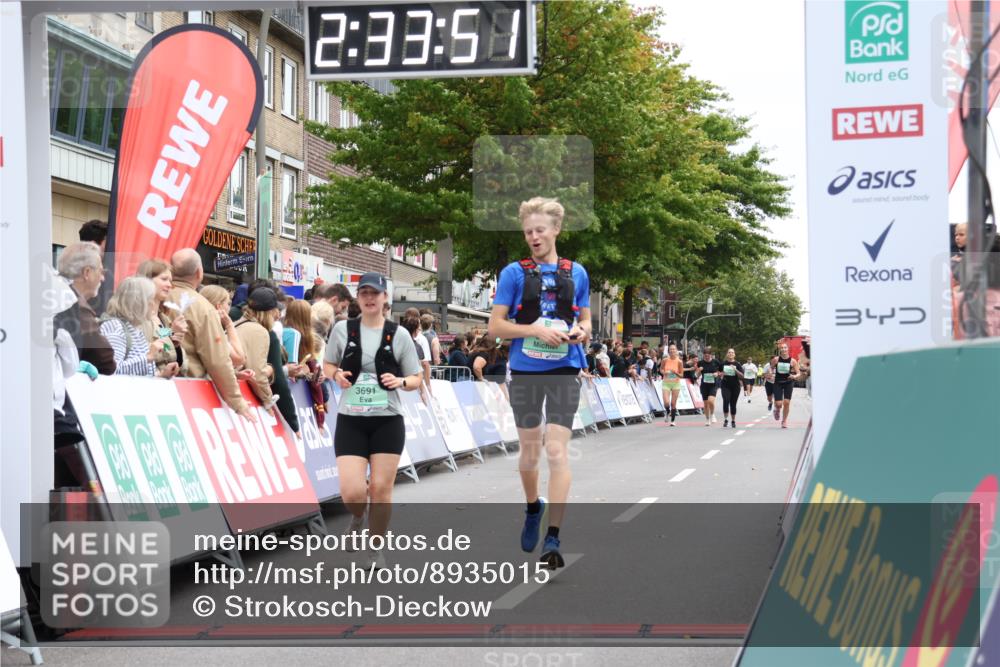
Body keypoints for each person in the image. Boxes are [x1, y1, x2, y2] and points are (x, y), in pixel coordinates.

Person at [487, 196, 591, 570]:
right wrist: (532, 330)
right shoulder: (513, 273)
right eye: (528, 231)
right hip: (527, 370)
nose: (533, 236)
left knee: (557, 452)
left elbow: (587, 321)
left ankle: (554, 536)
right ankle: (534, 507)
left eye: (539, 230)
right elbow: (495, 326)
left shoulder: (576, 273)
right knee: (530, 452)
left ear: (556, 230)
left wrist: (581, 331)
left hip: (565, 368)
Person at [323, 272, 422, 569]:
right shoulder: (343, 329)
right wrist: (336, 374)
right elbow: (328, 364)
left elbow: (417, 377)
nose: (369, 298)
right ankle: (357, 516)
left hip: (387, 420)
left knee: (380, 489)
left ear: (385, 299)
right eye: (364, 293)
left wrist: (401, 382)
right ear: (357, 298)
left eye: (375, 293)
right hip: (351, 418)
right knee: (353, 493)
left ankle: (375, 548)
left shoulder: (399, 334)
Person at [168, 249, 254, 420]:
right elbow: (217, 359)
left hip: (156, 384)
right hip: (191, 393)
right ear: (199, 273)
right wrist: (237, 401)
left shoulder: (158, 296)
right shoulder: (202, 307)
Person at [53, 242, 116, 375]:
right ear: (87, 272)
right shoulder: (74, 305)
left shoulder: (52, 293)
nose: (103, 278)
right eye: (101, 271)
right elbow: (105, 360)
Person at [98, 277, 179, 378]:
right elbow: (112, 371)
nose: (153, 304)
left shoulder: (135, 329)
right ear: (138, 302)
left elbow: (139, 376)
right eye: (150, 299)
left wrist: (161, 375)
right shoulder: (114, 327)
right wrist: (148, 357)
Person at [135, 259, 188, 375]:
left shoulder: (164, 319)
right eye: (164, 279)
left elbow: (183, 366)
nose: (169, 285)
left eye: (170, 281)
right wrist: (170, 337)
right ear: (146, 280)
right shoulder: (135, 317)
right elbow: (141, 353)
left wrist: (177, 345)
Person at [198, 285, 246, 370]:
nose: (229, 308)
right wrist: (229, 325)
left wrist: (237, 375)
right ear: (219, 306)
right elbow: (239, 358)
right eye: (228, 303)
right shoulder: (212, 329)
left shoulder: (198, 323)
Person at [772, 343, 799, 429]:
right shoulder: (776, 359)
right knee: (779, 403)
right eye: (782, 348)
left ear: (788, 349)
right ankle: (777, 409)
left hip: (788, 382)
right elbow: (770, 368)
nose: (783, 349)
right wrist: (770, 374)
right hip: (778, 382)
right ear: (780, 350)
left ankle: (784, 421)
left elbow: (798, 373)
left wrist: (794, 376)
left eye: (785, 348)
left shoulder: (793, 361)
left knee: (787, 403)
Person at [696, 346, 723, 426]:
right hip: (704, 385)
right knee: (705, 403)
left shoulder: (716, 362)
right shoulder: (700, 363)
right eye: (705, 355)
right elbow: (697, 376)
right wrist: (698, 371)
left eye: (708, 355)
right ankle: (707, 419)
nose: (707, 356)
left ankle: (712, 414)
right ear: (703, 355)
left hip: (713, 384)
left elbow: (722, 372)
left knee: (711, 401)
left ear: (711, 355)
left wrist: (717, 374)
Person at [719, 348, 744, 428]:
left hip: (735, 386)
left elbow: (742, 376)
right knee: (726, 401)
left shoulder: (737, 364)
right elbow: (719, 373)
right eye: (729, 352)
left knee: (733, 404)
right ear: (727, 354)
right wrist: (721, 374)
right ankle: (726, 419)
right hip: (725, 385)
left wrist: (735, 370)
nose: (730, 354)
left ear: (734, 354)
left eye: (732, 352)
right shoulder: (723, 364)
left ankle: (733, 420)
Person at [660, 344, 684, 426]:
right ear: (668, 351)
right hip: (666, 383)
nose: (672, 351)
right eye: (671, 349)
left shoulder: (679, 362)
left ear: (676, 351)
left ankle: (673, 421)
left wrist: (675, 373)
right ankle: (667, 411)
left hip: (676, 384)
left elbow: (681, 375)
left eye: (674, 349)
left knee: (673, 403)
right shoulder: (665, 360)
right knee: (666, 402)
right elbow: (661, 369)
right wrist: (664, 372)